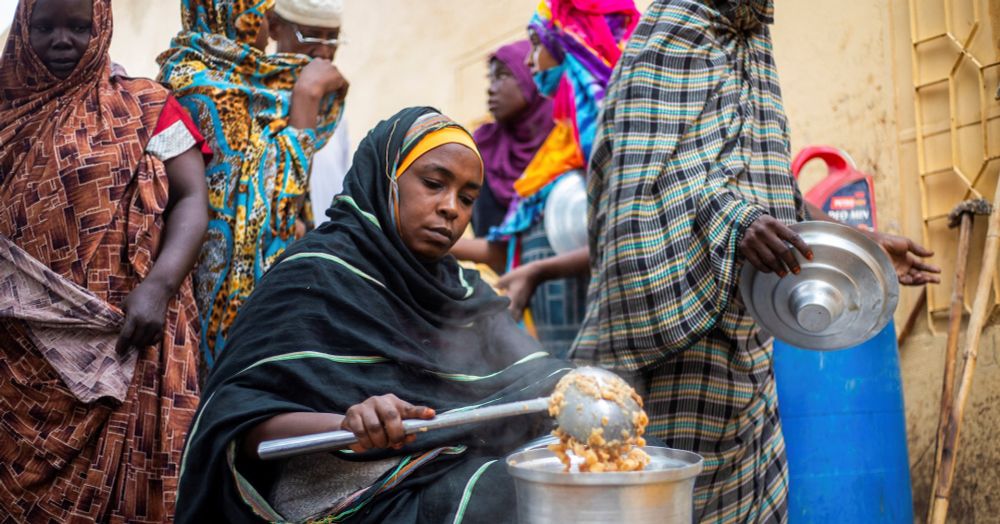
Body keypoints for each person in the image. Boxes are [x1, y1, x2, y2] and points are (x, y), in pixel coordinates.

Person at [576, 1, 941, 521]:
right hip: (672, 360)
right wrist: (733, 222)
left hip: (748, 352)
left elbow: (770, 186)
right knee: (661, 501)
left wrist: (860, 244)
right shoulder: (672, 33)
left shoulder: (753, 45)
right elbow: (641, 187)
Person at [174, 107, 570, 523]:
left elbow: (538, 376)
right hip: (344, 489)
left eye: (468, 198)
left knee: (567, 477)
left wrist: (585, 386)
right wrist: (349, 422)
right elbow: (240, 421)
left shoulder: (465, 292)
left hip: (445, 465)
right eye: (433, 184)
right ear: (385, 178)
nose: (451, 208)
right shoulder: (315, 273)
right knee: (512, 500)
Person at [0, 0, 210, 521]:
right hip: (15, 354)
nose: (62, 40)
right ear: (23, 28)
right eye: (45, 26)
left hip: (126, 335)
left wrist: (159, 286)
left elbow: (191, 199)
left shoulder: (149, 107)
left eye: (79, 26)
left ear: (103, 28)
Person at [158, 0, 347, 374]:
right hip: (208, 286)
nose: (268, 23)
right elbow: (273, 200)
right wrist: (306, 101)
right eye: (262, 12)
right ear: (232, 13)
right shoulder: (198, 85)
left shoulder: (257, 83)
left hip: (267, 282)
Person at [452, 0, 639, 358]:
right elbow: (517, 244)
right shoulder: (562, 143)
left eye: (536, 45)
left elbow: (624, 232)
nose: (528, 61)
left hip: (604, 332)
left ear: (568, 44)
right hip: (556, 338)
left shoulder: (606, 132)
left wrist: (538, 271)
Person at [268, 0, 353, 228]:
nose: (324, 51)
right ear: (274, 27)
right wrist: (307, 96)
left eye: (332, 38)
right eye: (311, 36)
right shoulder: (257, 102)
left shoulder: (333, 111)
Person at [471, 40, 554, 237]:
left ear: (531, 75)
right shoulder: (483, 147)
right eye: (490, 79)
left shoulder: (569, 138)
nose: (491, 89)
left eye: (502, 75)